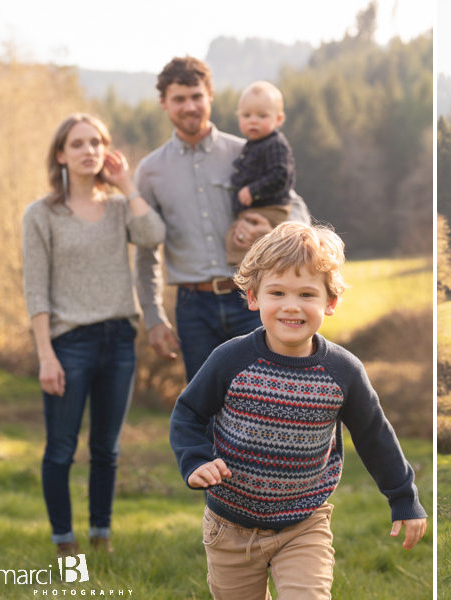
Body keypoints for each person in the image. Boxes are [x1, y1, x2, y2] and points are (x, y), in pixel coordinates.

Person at [169, 222, 427, 599]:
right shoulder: (230, 359)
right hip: (230, 523)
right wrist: (195, 461)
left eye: (307, 294)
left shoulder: (343, 371)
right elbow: (188, 414)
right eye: (277, 292)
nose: (292, 306)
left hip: (304, 524)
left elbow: (375, 436)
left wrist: (403, 497)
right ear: (254, 296)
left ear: (330, 302)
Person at [22, 114, 166, 557]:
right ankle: (65, 544)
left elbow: (154, 235)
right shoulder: (41, 214)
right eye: (78, 144)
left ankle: (101, 537)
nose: (89, 151)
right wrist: (46, 354)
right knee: (61, 448)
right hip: (69, 344)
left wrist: (128, 185)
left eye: (97, 142)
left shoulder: (121, 208)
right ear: (61, 155)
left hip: (119, 341)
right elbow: (36, 290)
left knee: (106, 448)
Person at [134, 56, 310, 382]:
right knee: (205, 412)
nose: (190, 106)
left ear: (210, 96)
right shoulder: (150, 171)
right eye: (179, 99)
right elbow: (147, 252)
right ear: (164, 103)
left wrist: (272, 230)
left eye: (197, 96)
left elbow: (296, 209)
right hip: (192, 309)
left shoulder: (248, 151)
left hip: (252, 299)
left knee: (268, 400)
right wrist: (154, 317)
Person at [224, 80, 295, 266]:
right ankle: (251, 277)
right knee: (237, 242)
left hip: (270, 209)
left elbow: (281, 176)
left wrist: (253, 190)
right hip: (256, 209)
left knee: (255, 247)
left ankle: (257, 277)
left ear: (278, 119)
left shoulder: (275, 144)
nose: (253, 120)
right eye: (246, 115)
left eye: (262, 116)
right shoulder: (251, 146)